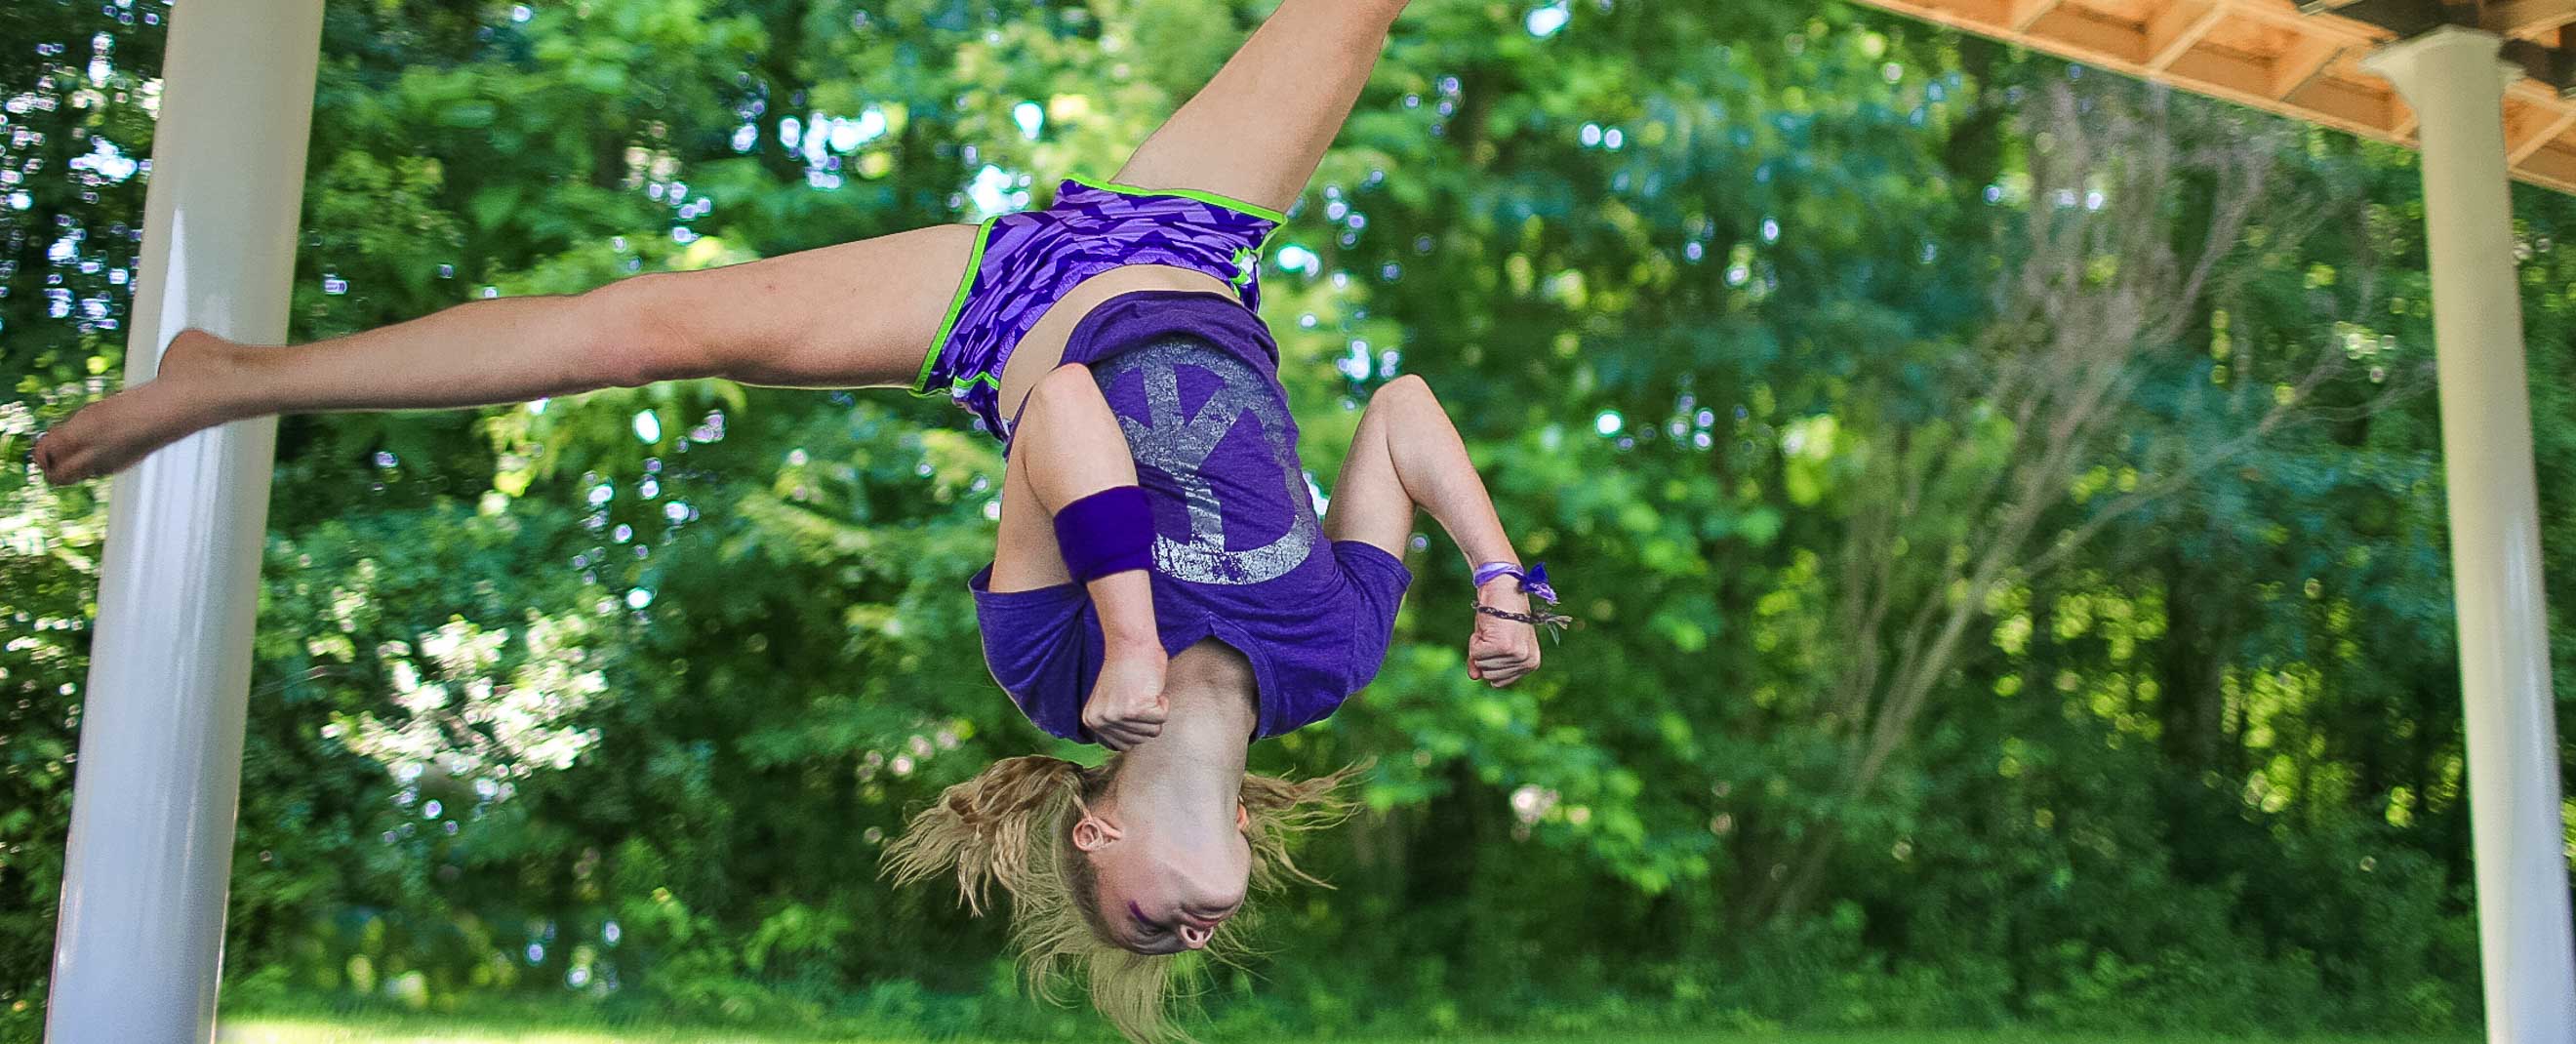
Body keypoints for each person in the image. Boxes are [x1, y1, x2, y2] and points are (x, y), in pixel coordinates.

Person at [34, 0, 1567, 1038]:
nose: (1190, 942)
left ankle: (235, 381)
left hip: (997, 308)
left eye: (1145, 931)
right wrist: (1497, 579)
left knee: (640, 330)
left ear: (1096, 831)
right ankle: (229, 373)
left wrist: (1121, 630)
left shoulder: (1047, 667)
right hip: (1185, 241)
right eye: (1192, 945)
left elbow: (1062, 413)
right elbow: (1406, 411)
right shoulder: (1330, 656)